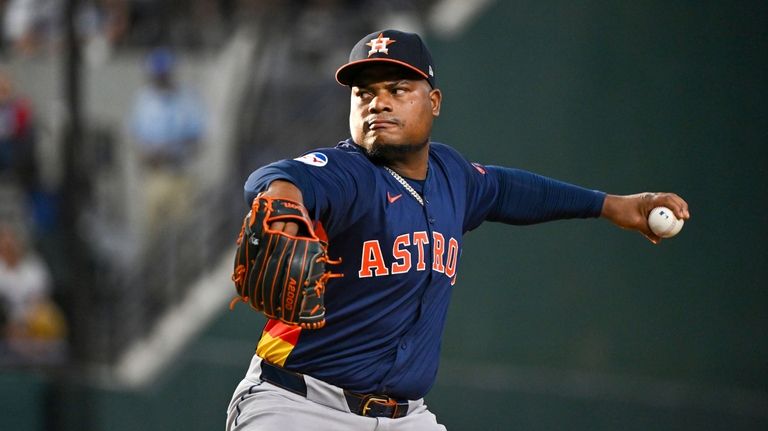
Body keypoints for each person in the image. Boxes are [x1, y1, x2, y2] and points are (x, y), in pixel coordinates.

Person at [225, 29, 690, 430]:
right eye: (363, 93)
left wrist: (611, 205)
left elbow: (510, 190)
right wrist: (283, 206)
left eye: (397, 87)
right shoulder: (345, 173)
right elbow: (276, 177)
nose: (378, 102)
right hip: (299, 406)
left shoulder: (453, 175)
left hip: (406, 417)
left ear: (434, 101)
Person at [128, 47, 205, 240]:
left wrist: (173, 147)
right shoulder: (145, 101)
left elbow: (198, 137)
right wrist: (150, 152)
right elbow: (136, 139)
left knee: (183, 234)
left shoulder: (185, 99)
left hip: (180, 173)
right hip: (155, 174)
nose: (160, 78)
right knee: (154, 235)